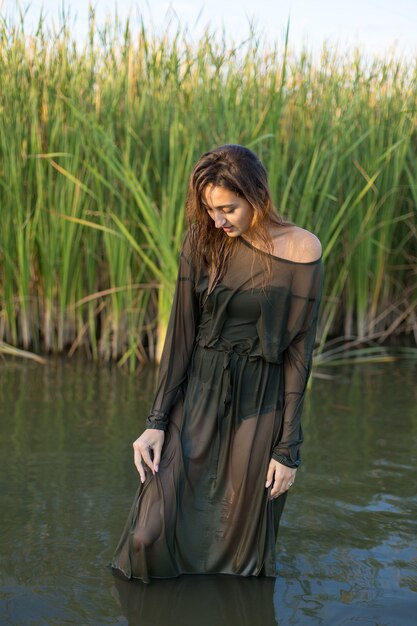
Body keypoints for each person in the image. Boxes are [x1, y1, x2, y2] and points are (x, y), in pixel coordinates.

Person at [111, 144, 323, 584]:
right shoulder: (202, 241)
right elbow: (181, 337)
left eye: (228, 208)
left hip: (261, 402)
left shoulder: (302, 248)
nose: (218, 220)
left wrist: (288, 450)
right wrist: (156, 421)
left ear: (257, 195)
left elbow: (299, 353)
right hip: (199, 393)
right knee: (145, 537)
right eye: (210, 210)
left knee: (240, 555)